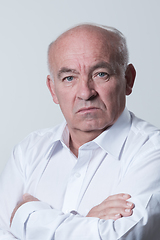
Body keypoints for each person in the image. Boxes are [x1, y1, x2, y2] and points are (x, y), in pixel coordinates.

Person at [0, 23, 160, 240]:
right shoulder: (28, 151)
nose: (85, 92)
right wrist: (88, 221)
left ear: (128, 79)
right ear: (52, 89)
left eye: (101, 74)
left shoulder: (153, 151)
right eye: (69, 78)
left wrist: (27, 216)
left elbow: (120, 237)